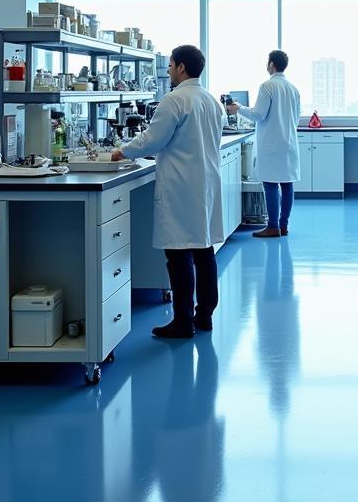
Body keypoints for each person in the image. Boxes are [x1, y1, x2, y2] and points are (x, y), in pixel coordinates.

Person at [112, 44, 225, 339]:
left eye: (171, 65)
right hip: (205, 183)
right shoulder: (211, 100)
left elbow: (152, 140)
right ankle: (205, 316)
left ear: (182, 67)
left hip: (181, 185)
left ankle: (182, 321)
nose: (169, 71)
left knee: (178, 255)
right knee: (204, 252)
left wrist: (122, 151)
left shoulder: (174, 100)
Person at [227, 50, 301, 239]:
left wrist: (238, 109)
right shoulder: (293, 89)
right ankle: (283, 226)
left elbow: (258, 114)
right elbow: (296, 118)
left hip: (272, 144)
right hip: (289, 143)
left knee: (270, 184)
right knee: (287, 184)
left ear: (271, 64)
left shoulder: (267, 86)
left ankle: (272, 226)